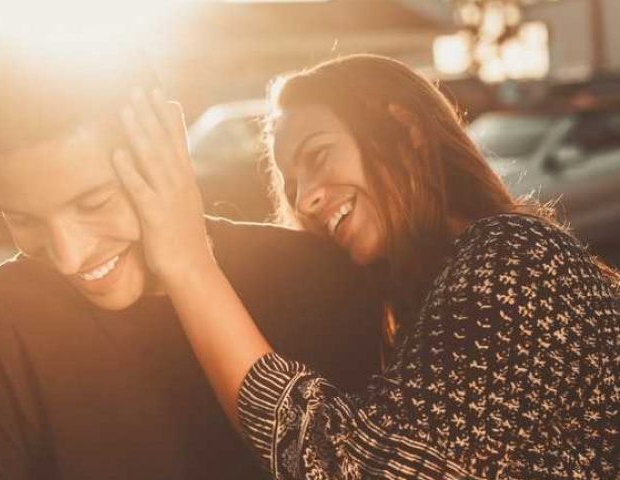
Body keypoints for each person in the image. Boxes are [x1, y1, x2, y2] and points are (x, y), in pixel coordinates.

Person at [0, 31, 387, 480]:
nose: (68, 256)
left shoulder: (318, 283)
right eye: (22, 219)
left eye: (95, 203)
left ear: (168, 141)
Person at [113, 54, 620, 479]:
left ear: (405, 128)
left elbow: (355, 465)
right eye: (291, 186)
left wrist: (190, 264)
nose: (305, 199)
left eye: (318, 155)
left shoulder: (517, 257)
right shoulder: (418, 303)